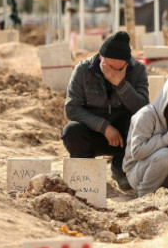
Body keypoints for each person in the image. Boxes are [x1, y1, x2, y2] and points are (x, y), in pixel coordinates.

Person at [62, 31, 149, 190]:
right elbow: (71, 108)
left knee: (141, 125)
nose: (112, 72)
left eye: (118, 69)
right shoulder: (83, 69)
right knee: (71, 131)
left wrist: (120, 84)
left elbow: (143, 109)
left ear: (126, 64)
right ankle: (87, 174)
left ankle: (121, 166)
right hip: (94, 131)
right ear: (101, 57)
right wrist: (103, 127)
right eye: (108, 67)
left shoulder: (137, 70)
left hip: (124, 137)